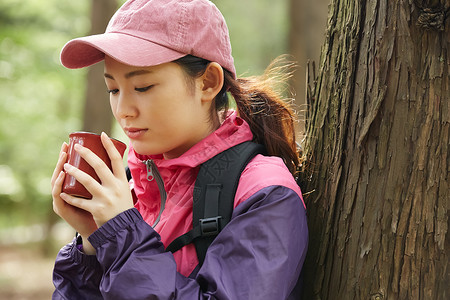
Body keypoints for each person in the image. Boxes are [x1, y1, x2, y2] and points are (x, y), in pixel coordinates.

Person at [51, 0, 308, 299]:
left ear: (209, 82)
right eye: (114, 89)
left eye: (143, 87)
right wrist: (92, 242)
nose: (123, 110)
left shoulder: (263, 193)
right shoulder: (132, 189)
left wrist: (123, 236)